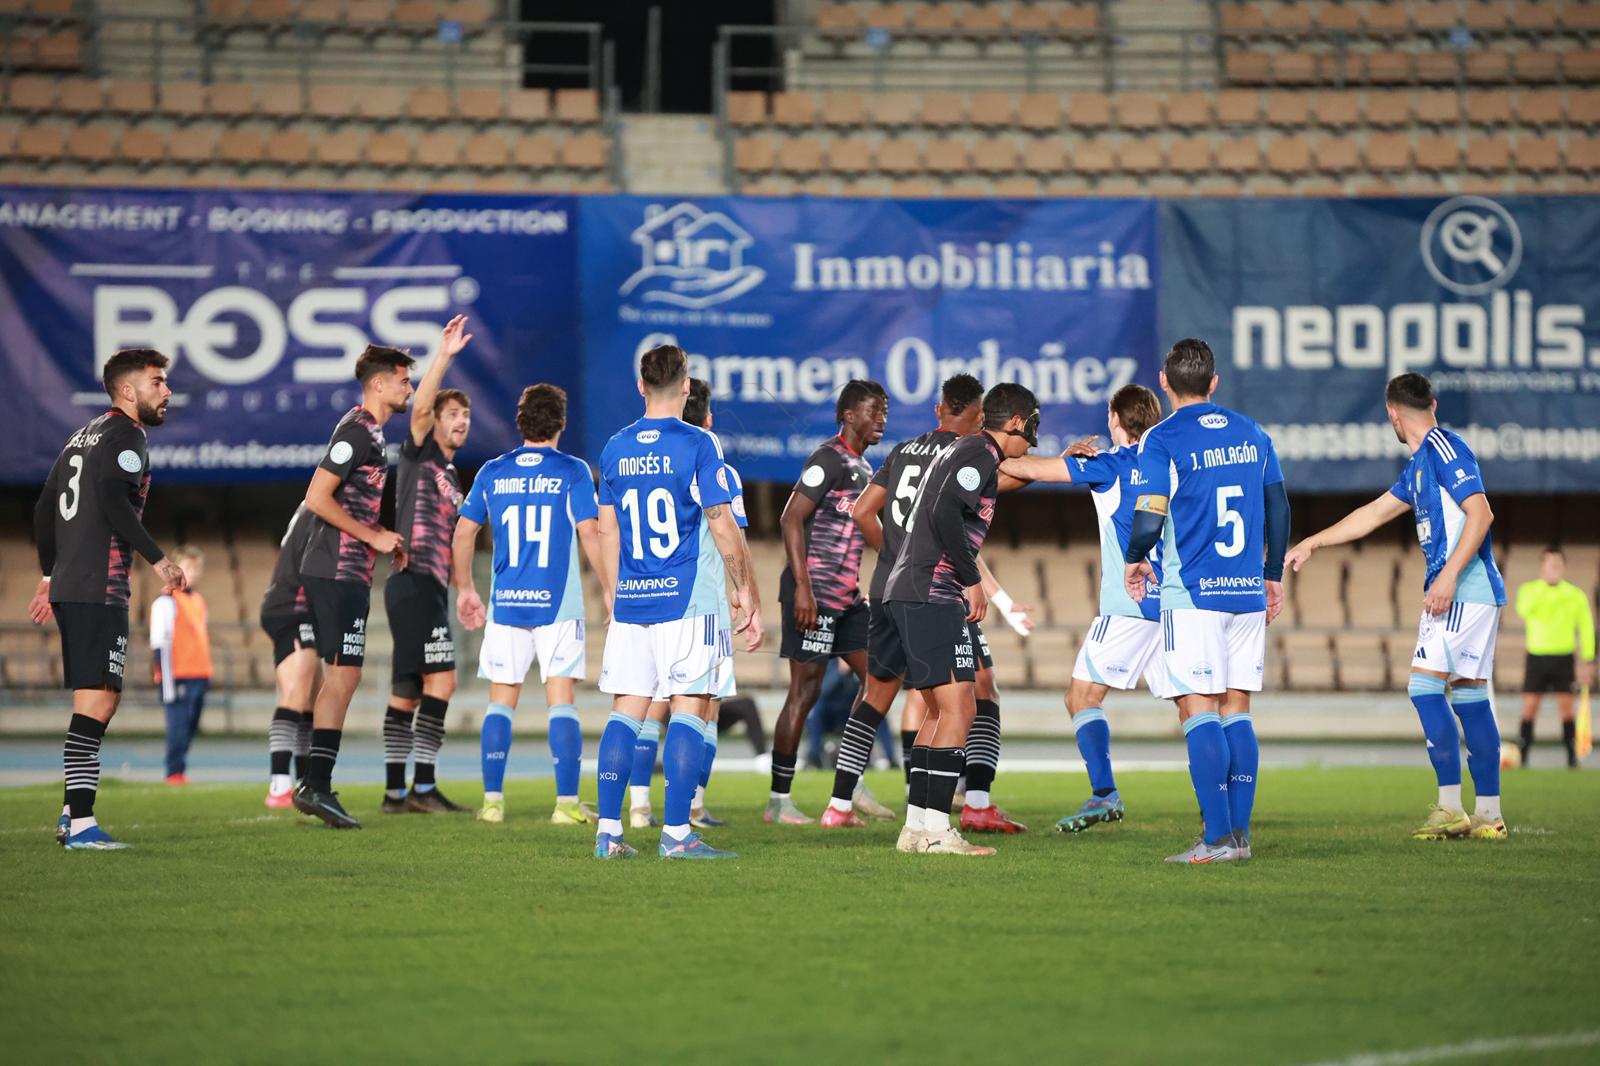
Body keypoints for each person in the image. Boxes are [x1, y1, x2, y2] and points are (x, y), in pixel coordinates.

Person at [1289, 372, 1507, 840]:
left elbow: (1482, 512)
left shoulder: (1445, 448)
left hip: (1463, 588)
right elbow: (1373, 513)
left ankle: (1452, 808)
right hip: (1469, 592)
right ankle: (1488, 815)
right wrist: (1314, 541)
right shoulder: (1420, 464)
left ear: (1392, 413)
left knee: (1424, 689)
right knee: (1468, 697)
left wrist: (1448, 574)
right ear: (1431, 402)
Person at [824, 373, 1033, 833]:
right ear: (981, 419)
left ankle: (842, 803)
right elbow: (975, 503)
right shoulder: (970, 454)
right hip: (934, 586)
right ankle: (965, 805)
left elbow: (862, 511)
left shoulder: (903, 451)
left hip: (887, 587)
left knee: (879, 697)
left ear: (938, 410)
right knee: (970, 694)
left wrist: (896, 554)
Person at [590, 343, 761, 859]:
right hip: (687, 600)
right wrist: (745, 588)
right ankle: (677, 836)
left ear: (640, 386)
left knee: (626, 711)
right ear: (686, 387)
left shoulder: (615, 448)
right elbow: (720, 522)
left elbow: (607, 528)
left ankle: (608, 833)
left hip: (633, 601)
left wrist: (616, 592)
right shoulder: (699, 444)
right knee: (690, 709)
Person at [1122, 339, 1287, 865]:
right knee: (1237, 710)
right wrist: (1272, 574)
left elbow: (1149, 512)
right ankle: (1238, 837)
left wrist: (1135, 555)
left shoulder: (1162, 437)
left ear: (1165, 383)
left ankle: (1215, 839)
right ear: (1214, 383)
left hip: (1193, 593)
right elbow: (1277, 506)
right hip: (1245, 589)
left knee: (1198, 709)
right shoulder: (1252, 432)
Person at [29, 347, 186, 850]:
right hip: (99, 585)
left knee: (102, 697)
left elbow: (42, 508)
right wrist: (160, 560)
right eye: (157, 382)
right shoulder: (126, 434)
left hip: (75, 584)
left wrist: (49, 576)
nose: (166, 391)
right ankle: (81, 825)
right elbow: (116, 502)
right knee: (97, 700)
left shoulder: (80, 437)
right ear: (127, 389)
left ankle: (69, 814)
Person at [880, 382, 1041, 856]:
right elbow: (946, 510)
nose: (1033, 436)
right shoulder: (978, 453)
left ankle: (916, 828)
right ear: (1015, 423)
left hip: (910, 589)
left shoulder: (971, 452)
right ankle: (935, 831)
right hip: (933, 591)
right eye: (1032, 426)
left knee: (936, 710)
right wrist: (971, 578)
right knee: (960, 710)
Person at [999, 383, 1168, 833]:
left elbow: (1034, 467)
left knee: (1081, 697)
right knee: (1197, 708)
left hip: (1128, 604)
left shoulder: (1109, 465)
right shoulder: (1169, 466)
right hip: (1174, 604)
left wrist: (981, 456)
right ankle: (1223, 814)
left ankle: (1104, 794)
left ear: (1116, 419)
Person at [454, 383, 607, 826]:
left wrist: (465, 588)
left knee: (501, 701)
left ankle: (492, 803)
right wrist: (613, 590)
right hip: (557, 604)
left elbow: (464, 533)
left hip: (506, 604)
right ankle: (564, 805)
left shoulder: (491, 472)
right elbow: (589, 533)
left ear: (520, 422)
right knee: (561, 700)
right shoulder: (573, 470)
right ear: (562, 422)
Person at [291, 344, 414, 829]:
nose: (410, 387)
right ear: (380, 383)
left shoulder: (370, 433)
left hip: (347, 568)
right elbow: (316, 497)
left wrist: (381, 540)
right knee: (344, 674)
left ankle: (313, 782)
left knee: (341, 675)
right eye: (404, 380)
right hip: (336, 568)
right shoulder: (357, 430)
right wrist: (374, 536)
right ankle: (315, 786)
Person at [625, 378, 756, 830]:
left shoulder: (639, 457)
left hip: (646, 595)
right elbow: (733, 539)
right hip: (701, 603)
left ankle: (638, 806)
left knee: (647, 704)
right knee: (702, 706)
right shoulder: (713, 462)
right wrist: (747, 596)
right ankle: (691, 809)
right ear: (709, 417)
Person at [765, 379, 890, 825]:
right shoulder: (827, 459)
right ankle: (779, 801)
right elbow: (790, 517)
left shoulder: (864, 466)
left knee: (881, 676)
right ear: (849, 414)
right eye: (874, 410)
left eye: (885, 412)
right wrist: (803, 587)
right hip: (812, 596)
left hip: (847, 598)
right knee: (805, 691)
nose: (881, 418)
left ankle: (849, 784)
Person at [381, 315, 473, 814]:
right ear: (435, 420)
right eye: (452, 413)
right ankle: (422, 787)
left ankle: (396, 794)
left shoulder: (452, 474)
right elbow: (419, 406)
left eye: (466, 416)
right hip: (411, 580)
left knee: (407, 692)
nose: (460, 421)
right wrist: (444, 358)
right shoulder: (419, 456)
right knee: (443, 681)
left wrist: (464, 588)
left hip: (426, 586)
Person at [259, 505, 320, 808]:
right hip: (292, 607)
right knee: (296, 695)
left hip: (294, 606)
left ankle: (302, 782)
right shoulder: (325, 508)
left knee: (307, 698)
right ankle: (279, 784)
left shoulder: (313, 506)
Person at [1515, 547, 1595, 768]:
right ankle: (1523, 755)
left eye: (1558, 565)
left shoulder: (1575, 595)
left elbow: (1586, 627)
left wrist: (1588, 659)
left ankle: (1571, 757)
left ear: (1564, 567)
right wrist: (1546, 587)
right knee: (1529, 708)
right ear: (1542, 566)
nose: (1554, 569)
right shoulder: (1529, 590)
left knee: (1567, 710)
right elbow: (1523, 609)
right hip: (1537, 657)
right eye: (1550, 564)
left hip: (1564, 658)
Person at [150, 545, 212, 786]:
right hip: (178, 675)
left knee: (191, 726)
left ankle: (179, 769)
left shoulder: (198, 600)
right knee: (178, 726)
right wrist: (166, 682)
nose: (192, 573)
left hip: (199, 674)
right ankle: (174, 772)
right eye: (187, 567)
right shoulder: (166, 601)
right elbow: (160, 643)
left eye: (196, 568)